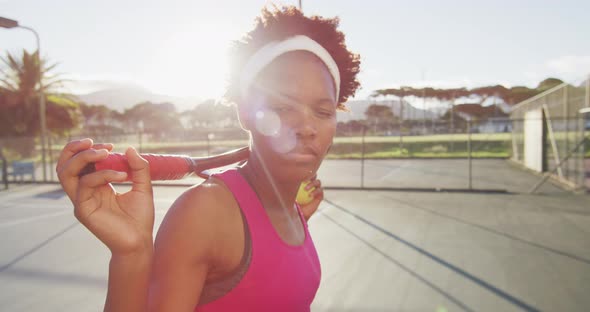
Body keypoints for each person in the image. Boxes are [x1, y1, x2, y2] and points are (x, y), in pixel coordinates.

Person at [56, 6, 360, 312]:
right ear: (245, 114)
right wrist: (131, 255)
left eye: (323, 112)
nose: (307, 128)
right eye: (282, 107)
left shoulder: (292, 210)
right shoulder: (205, 213)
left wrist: (296, 219)